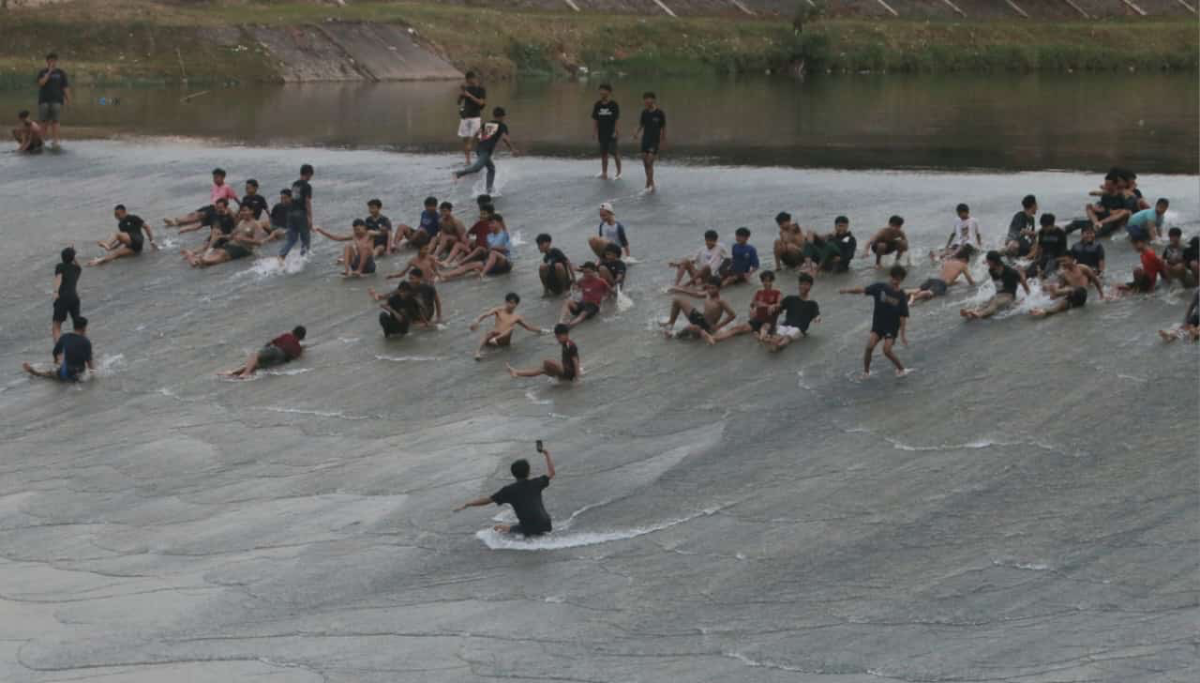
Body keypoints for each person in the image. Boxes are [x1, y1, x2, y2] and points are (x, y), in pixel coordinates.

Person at [454, 443, 556, 537]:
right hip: (546, 524)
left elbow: (487, 500)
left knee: (497, 528)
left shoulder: (508, 490)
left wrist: (468, 504)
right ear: (529, 471)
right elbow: (551, 473)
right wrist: (546, 454)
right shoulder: (536, 483)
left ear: (513, 474)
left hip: (529, 528)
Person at [838, 265, 910, 379]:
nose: (896, 281)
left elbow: (903, 316)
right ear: (890, 276)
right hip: (878, 325)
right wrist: (847, 290)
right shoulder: (879, 287)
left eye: (899, 279)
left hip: (891, 327)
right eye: (894, 278)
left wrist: (903, 335)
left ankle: (901, 369)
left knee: (886, 350)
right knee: (869, 347)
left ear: (902, 280)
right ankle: (866, 372)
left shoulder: (901, 296)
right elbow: (862, 290)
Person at [454, 107, 517, 196]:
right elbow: (505, 138)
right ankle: (458, 174)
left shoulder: (487, 123)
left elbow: (476, 133)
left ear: (494, 115)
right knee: (477, 168)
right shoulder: (502, 126)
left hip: (480, 149)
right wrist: (512, 149)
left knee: (491, 169)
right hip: (485, 151)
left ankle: (489, 191)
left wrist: (470, 144)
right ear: (503, 116)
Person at [661, 277, 736, 345]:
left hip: (708, 327)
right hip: (700, 318)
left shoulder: (720, 301)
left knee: (692, 327)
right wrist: (679, 290)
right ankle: (670, 324)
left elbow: (732, 315)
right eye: (709, 287)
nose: (710, 290)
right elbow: (696, 294)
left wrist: (718, 326)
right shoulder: (708, 294)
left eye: (713, 288)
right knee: (677, 300)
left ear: (719, 288)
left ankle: (675, 335)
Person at [470, 292, 544, 360]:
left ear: (516, 305)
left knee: (511, 328)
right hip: (493, 337)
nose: (511, 305)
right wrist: (477, 320)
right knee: (490, 331)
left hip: (503, 341)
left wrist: (541, 330)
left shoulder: (516, 317)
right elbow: (486, 314)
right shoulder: (499, 310)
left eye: (514, 303)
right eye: (510, 303)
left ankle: (495, 339)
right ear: (506, 302)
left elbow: (528, 327)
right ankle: (477, 352)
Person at [182, 209, 266, 268]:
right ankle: (198, 260)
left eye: (245, 210)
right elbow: (232, 235)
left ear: (252, 211)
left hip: (245, 249)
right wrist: (220, 236)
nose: (243, 213)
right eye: (242, 211)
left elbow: (259, 242)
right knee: (216, 250)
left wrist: (243, 239)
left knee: (223, 254)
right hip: (233, 245)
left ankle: (206, 262)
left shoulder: (256, 225)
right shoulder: (241, 222)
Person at [713, 270, 779, 343]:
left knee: (763, 331)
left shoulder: (777, 293)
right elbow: (752, 305)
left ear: (772, 281)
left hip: (769, 322)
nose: (766, 283)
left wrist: (770, 306)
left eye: (768, 281)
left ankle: (761, 338)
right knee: (737, 329)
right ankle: (714, 338)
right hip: (757, 320)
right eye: (764, 281)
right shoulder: (758, 293)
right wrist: (752, 310)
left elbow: (779, 305)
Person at [1030, 254, 1106, 318]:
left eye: (1064, 261)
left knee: (1069, 289)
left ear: (1072, 260)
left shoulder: (1082, 268)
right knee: (1058, 308)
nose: (1063, 263)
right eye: (1061, 261)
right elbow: (1061, 288)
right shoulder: (1064, 274)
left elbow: (1095, 280)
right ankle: (1043, 311)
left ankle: (1052, 290)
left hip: (1082, 293)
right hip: (1072, 297)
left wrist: (1101, 294)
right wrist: (1052, 296)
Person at [439, 213, 511, 279]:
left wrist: (493, 248)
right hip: (492, 265)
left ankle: (483, 273)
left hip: (503, 263)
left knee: (493, 253)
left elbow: (506, 249)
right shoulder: (489, 236)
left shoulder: (504, 234)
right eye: (489, 224)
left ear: (499, 224)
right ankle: (445, 275)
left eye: (492, 223)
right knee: (468, 266)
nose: (490, 225)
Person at [961, 251, 1030, 321]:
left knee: (995, 302)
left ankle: (980, 314)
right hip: (1000, 295)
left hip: (1010, 296)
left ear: (993, 261)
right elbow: (998, 286)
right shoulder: (992, 270)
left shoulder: (1010, 271)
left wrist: (1028, 297)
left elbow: (1023, 282)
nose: (987, 262)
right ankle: (972, 311)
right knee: (987, 302)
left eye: (988, 261)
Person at [762, 273, 821, 352]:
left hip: (799, 329)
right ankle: (771, 343)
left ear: (810, 286)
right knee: (777, 336)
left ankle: (777, 347)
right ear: (799, 285)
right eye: (801, 284)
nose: (803, 286)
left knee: (787, 338)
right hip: (785, 325)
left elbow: (817, 315)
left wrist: (817, 318)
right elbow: (779, 306)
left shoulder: (812, 303)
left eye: (806, 284)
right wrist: (773, 307)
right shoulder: (790, 299)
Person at [164, 168, 240, 229]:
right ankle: (176, 221)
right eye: (214, 178)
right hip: (211, 206)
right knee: (193, 213)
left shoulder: (227, 187)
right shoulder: (214, 186)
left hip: (218, 208)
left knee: (200, 216)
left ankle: (176, 223)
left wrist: (240, 210)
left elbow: (236, 199)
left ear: (223, 177)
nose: (214, 179)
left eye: (216, 177)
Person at [219, 326, 306, 379]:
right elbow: (294, 358)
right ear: (302, 337)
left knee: (255, 355)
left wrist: (264, 348)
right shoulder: (298, 348)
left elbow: (272, 342)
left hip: (276, 350)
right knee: (256, 366)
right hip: (281, 359)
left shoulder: (288, 336)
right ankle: (234, 374)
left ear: (293, 331)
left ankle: (244, 374)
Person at [24, 316, 93, 382]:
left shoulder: (65, 337)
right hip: (78, 375)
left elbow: (55, 352)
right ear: (84, 328)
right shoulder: (86, 342)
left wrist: (56, 361)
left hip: (64, 373)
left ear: (74, 326)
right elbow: (90, 363)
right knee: (83, 374)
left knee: (50, 374)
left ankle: (37, 373)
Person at [507, 324, 581, 383]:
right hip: (566, 372)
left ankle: (562, 377)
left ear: (566, 334)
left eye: (559, 337)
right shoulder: (564, 343)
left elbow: (576, 362)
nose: (558, 339)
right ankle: (517, 372)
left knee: (547, 362)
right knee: (542, 369)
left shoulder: (571, 345)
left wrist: (577, 379)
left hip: (570, 373)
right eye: (556, 337)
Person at [906, 245, 976, 305]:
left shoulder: (948, 261)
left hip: (933, 280)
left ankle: (903, 293)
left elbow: (947, 276)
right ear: (964, 259)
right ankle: (914, 297)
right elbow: (970, 281)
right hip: (941, 284)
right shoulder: (963, 265)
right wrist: (975, 286)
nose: (966, 264)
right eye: (967, 262)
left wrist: (958, 282)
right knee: (929, 293)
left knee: (917, 289)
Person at [90, 204, 157, 266]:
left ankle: (107, 244)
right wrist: (113, 248)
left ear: (124, 212)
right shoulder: (120, 225)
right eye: (115, 215)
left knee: (116, 234)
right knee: (115, 254)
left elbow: (147, 227)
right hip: (135, 248)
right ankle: (97, 262)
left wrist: (152, 241)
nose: (117, 217)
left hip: (137, 240)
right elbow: (122, 240)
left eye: (118, 214)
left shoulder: (133, 217)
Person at [279, 163, 315, 260]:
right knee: (305, 240)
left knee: (291, 239)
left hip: (291, 213)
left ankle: (281, 256)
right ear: (308, 174)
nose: (310, 178)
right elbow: (307, 202)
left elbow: (294, 199)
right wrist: (310, 218)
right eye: (311, 175)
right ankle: (303, 260)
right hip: (300, 214)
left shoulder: (295, 184)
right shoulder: (307, 186)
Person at [633, 91, 666, 193]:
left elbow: (663, 127)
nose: (647, 101)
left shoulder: (660, 113)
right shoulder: (644, 112)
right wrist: (636, 133)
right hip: (645, 140)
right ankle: (651, 183)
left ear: (653, 99)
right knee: (645, 163)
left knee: (650, 161)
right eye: (645, 99)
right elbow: (641, 124)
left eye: (649, 98)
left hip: (654, 141)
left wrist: (663, 140)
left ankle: (650, 185)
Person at [560, 262, 611, 328]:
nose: (586, 274)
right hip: (582, 304)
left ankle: (569, 326)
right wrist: (573, 289)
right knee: (567, 301)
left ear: (594, 271)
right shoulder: (582, 281)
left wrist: (606, 298)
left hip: (593, 306)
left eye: (588, 272)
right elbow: (575, 287)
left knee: (582, 314)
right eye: (584, 272)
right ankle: (560, 323)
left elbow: (611, 291)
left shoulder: (601, 281)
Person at [35, 53, 69, 148]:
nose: (52, 62)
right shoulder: (42, 72)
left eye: (54, 60)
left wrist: (68, 99)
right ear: (47, 61)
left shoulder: (61, 73)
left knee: (55, 121)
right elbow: (41, 83)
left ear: (56, 61)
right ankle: (42, 140)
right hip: (44, 100)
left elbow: (65, 87)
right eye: (50, 60)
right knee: (43, 121)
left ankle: (55, 141)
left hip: (57, 100)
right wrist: (49, 72)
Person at [51, 247, 82, 342]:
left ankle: (59, 352)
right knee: (77, 325)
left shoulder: (60, 266)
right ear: (73, 258)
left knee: (56, 326)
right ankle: (79, 348)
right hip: (74, 298)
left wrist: (56, 291)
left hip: (63, 297)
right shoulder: (77, 269)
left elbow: (59, 278)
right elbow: (79, 265)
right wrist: (74, 256)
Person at [592, 83, 621, 180]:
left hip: (611, 132)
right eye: (600, 90)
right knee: (603, 153)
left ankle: (619, 172)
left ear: (609, 92)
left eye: (604, 90)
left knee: (614, 153)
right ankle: (604, 172)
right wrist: (595, 132)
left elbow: (616, 119)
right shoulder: (597, 104)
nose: (602, 92)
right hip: (602, 132)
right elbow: (595, 119)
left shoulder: (613, 104)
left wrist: (616, 131)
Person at [457, 71, 487, 164]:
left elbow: (481, 103)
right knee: (466, 141)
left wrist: (469, 96)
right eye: (467, 81)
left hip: (475, 118)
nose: (468, 82)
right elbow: (458, 102)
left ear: (472, 78)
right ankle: (468, 161)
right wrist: (461, 94)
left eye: (468, 80)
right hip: (465, 118)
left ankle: (479, 159)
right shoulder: (466, 89)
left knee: (473, 140)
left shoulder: (481, 89)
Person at [1027, 212, 1067, 278]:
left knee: (1046, 272)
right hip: (1044, 256)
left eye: (1045, 226)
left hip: (1056, 258)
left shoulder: (1061, 233)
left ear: (1052, 225)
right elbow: (1040, 247)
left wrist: (1060, 263)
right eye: (1042, 226)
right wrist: (1036, 259)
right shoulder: (1041, 232)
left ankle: (1044, 277)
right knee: (1030, 271)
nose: (1044, 228)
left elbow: (1063, 251)